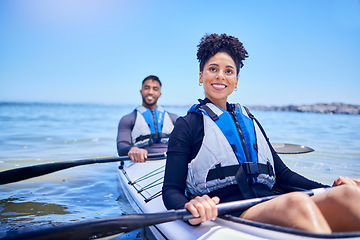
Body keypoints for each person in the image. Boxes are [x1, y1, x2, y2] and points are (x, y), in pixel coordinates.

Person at [162, 33, 360, 233]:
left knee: (350, 194)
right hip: (232, 211)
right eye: (213, 69)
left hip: (269, 200)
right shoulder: (187, 125)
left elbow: (283, 175)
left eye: (228, 71)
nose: (221, 76)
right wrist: (192, 208)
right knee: (295, 203)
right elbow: (171, 190)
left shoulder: (250, 120)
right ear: (200, 76)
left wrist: (329, 187)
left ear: (236, 81)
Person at [117, 75, 178, 162]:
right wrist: (132, 149)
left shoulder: (174, 119)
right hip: (141, 162)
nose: (150, 92)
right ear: (141, 92)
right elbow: (122, 147)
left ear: (160, 94)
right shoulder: (128, 119)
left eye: (155, 89)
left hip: (169, 159)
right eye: (147, 88)